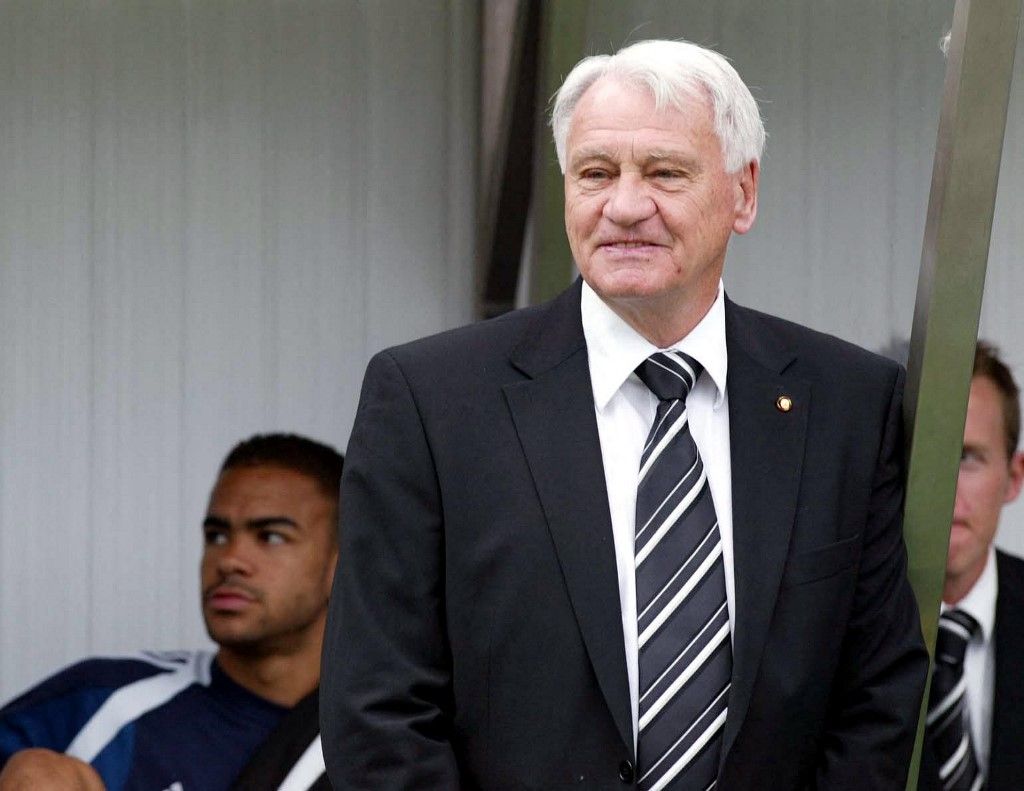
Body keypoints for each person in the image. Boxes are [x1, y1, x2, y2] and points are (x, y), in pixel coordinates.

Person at [321, 38, 928, 789]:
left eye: (666, 173)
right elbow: (376, 709)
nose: (626, 205)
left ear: (744, 193)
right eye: (596, 173)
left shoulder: (847, 402)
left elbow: (878, 696)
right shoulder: (431, 401)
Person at [0, 433, 341, 791]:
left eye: (270, 536)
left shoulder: (385, 745)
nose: (229, 560)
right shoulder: (100, 703)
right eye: (217, 536)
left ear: (342, 566)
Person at [918, 342, 1024, 791]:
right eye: (926, 455)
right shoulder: (841, 625)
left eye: (967, 458)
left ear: (1013, 479)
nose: (944, 490)